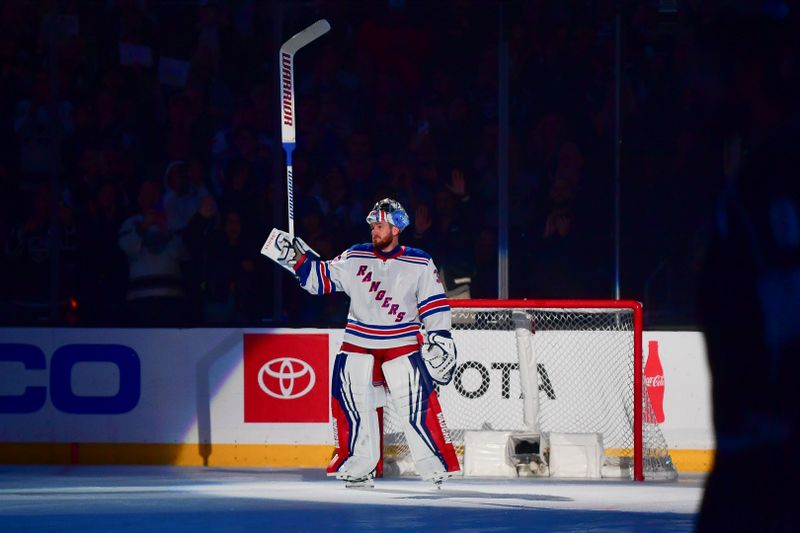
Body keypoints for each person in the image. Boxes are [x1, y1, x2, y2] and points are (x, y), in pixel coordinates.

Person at [268, 198, 461, 488]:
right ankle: (357, 466)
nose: (374, 230)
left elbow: (434, 304)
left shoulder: (420, 261)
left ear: (396, 228)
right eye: (372, 225)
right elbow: (320, 280)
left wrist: (440, 336)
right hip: (358, 341)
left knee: (416, 405)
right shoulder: (354, 256)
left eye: (380, 225)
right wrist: (297, 260)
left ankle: (435, 466)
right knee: (352, 404)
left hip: (402, 342)